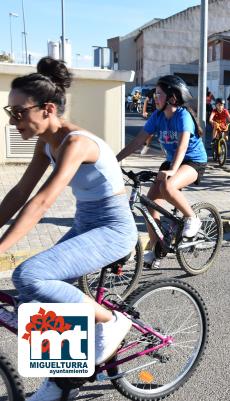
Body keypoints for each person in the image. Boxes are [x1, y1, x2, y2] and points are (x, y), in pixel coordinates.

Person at [0, 57, 138, 400]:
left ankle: (110, 321)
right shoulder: (45, 143)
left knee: (28, 276)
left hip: (114, 228)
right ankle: (61, 382)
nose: (13, 120)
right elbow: (19, 193)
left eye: (19, 112)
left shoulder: (76, 143)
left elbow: (43, 202)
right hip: (86, 224)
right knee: (36, 296)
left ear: (47, 109)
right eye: (9, 112)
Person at [117, 75, 208, 269]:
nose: (154, 97)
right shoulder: (157, 117)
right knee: (150, 203)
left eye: (159, 94)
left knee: (168, 186)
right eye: (155, 94)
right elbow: (137, 141)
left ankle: (192, 218)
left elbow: (183, 146)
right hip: (171, 163)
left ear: (172, 97)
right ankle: (157, 249)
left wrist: (172, 170)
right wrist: (114, 160)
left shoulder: (182, 115)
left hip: (193, 161)